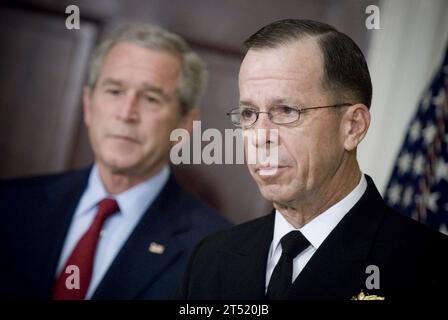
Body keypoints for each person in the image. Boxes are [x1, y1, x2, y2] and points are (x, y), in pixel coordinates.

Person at [178, 19, 448, 300]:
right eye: (248, 114)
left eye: (285, 110)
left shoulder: (430, 269)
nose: (260, 136)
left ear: (352, 127)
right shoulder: (210, 258)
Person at [0, 23, 230, 300]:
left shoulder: (216, 252)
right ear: (88, 105)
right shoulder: (10, 205)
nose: (126, 113)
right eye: (114, 91)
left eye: (151, 98)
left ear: (185, 124)